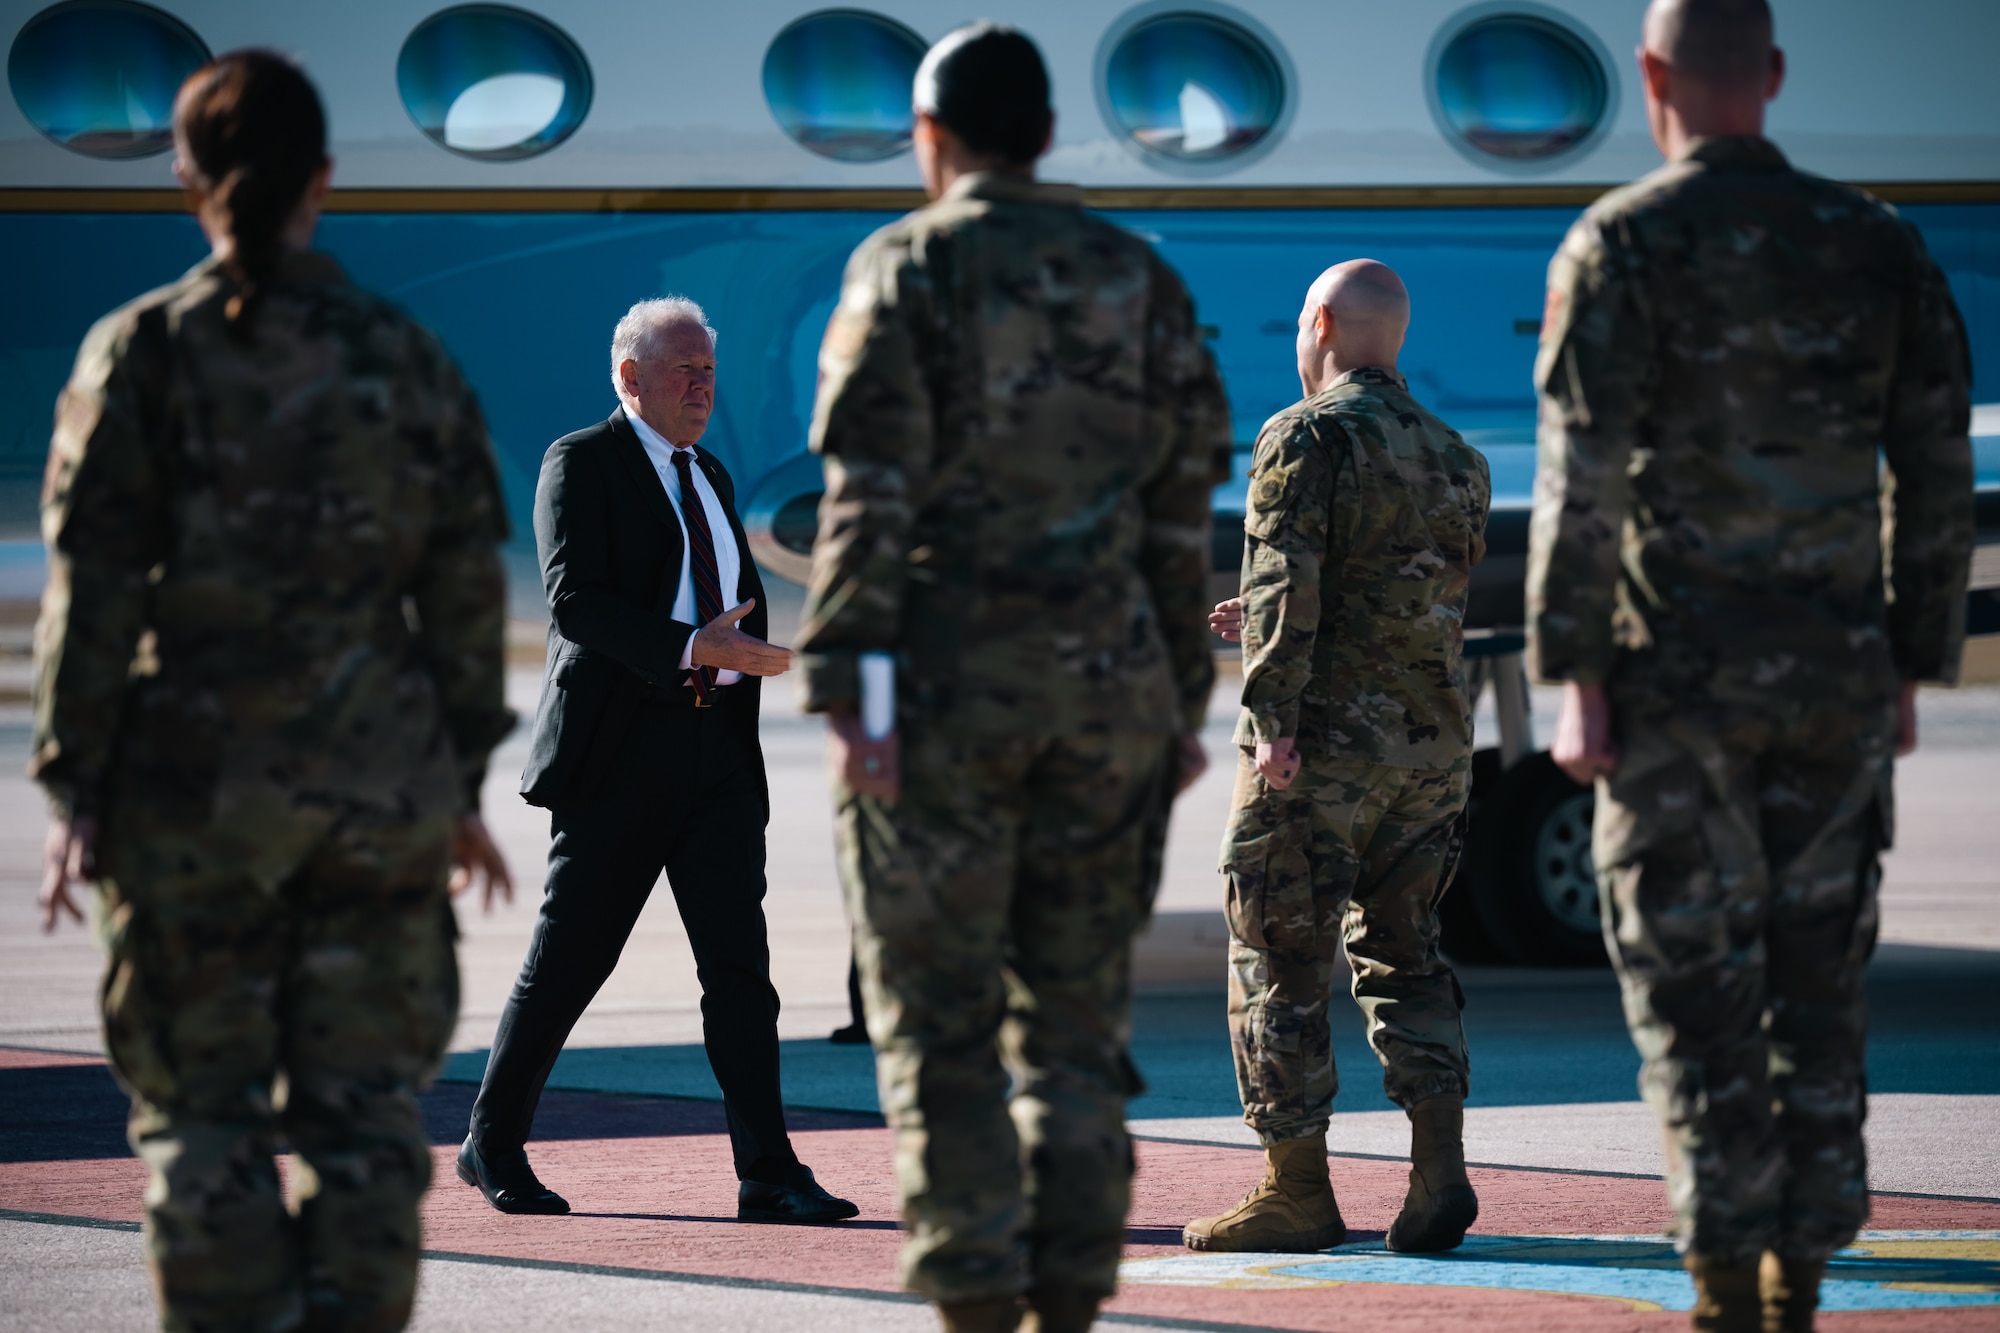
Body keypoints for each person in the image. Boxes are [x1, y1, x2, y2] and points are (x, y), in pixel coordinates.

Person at [31, 50, 516, 1331]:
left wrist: (75, 782)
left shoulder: (138, 355)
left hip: (189, 802)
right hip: (372, 798)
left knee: (203, 1123)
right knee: (362, 1121)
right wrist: (458, 776)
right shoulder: (406, 361)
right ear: (325, 179)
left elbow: (93, 592)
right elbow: (468, 589)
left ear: (185, 178)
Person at [1526, 1, 1974, 1327]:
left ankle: (1725, 1269)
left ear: (1650, 75)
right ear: (1773, 75)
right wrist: (1910, 655)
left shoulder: (1622, 244)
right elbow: (1937, 469)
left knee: (1691, 980)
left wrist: (1575, 670)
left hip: (1675, 685)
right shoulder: (1875, 241)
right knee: (1818, 979)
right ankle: (1804, 1266)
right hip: (1834, 674)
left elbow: (1580, 474)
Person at [796, 23, 1229, 1333]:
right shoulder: (1137, 277)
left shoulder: (907, 265)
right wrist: (1178, 709)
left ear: (934, 139)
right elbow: (1179, 518)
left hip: (942, 699)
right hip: (1108, 698)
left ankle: (979, 1306)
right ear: (1045, 133)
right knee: (1076, 1036)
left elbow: (864, 503)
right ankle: (1071, 1305)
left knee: (940, 1031)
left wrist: (848, 696)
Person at [459, 297, 858, 1226]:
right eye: (684, 371)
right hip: (622, 754)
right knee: (571, 961)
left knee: (740, 973)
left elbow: (736, 608)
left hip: (715, 754)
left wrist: (744, 659)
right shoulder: (582, 462)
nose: (702, 388)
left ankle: (767, 1169)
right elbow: (575, 605)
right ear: (630, 377)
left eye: (710, 373)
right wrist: (692, 648)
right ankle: (493, 1140)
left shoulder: (711, 474)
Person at [1186, 262, 1491, 1258]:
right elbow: (1403, 599)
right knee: (1404, 949)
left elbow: (1285, 578)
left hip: (1317, 749)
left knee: (1274, 953)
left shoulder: (1303, 432)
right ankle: (1436, 1170)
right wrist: (1269, 624)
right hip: (1429, 750)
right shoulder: (1455, 454)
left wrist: (1269, 715)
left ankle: (1295, 1189)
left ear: (1316, 322)